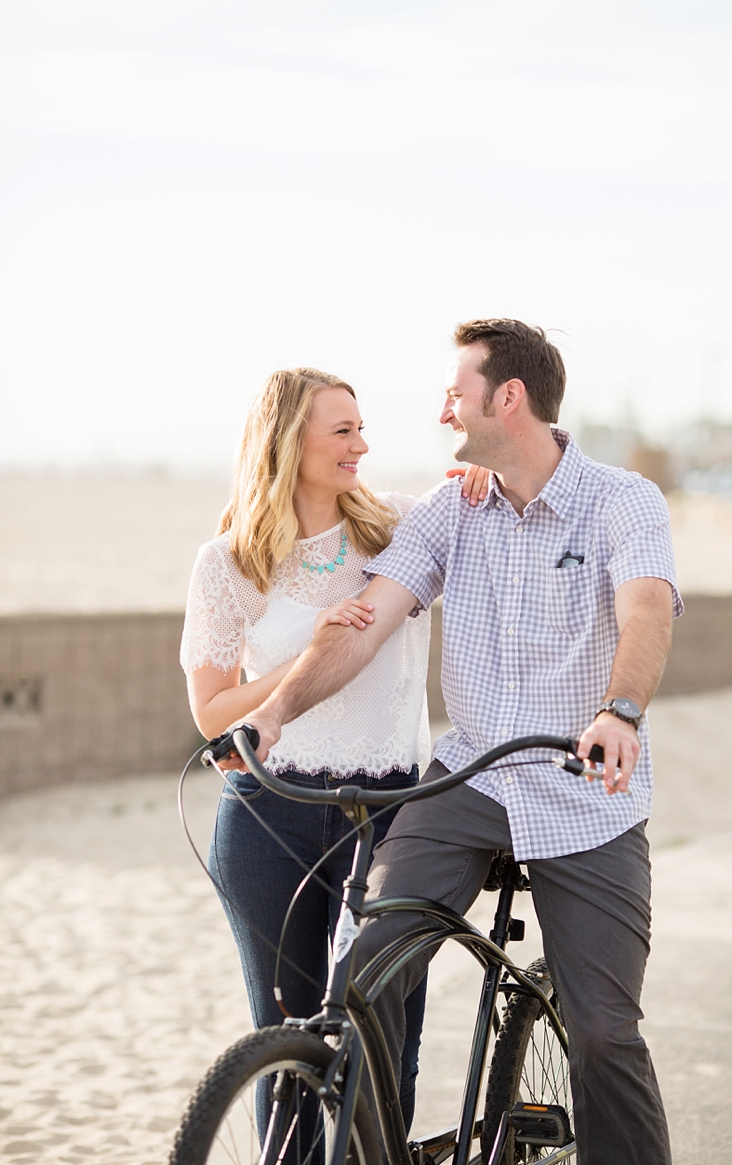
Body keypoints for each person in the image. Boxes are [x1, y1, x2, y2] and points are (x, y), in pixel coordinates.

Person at [233, 318, 680, 1165]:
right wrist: (275, 711)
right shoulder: (451, 508)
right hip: (468, 777)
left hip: (587, 789)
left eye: (455, 390)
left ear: (505, 398)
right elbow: (363, 626)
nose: (443, 406)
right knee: (362, 975)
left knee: (603, 1030)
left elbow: (647, 607)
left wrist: (620, 709)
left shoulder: (624, 501)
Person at [180, 368, 488, 1132]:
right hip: (267, 818)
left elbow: (507, 527)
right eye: (343, 429)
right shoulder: (229, 562)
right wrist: (311, 656)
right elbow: (213, 709)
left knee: (387, 1043)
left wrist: (486, 478)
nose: (363, 444)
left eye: (361, 426)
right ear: (291, 442)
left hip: (392, 814)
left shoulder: (402, 526)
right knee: (283, 1048)